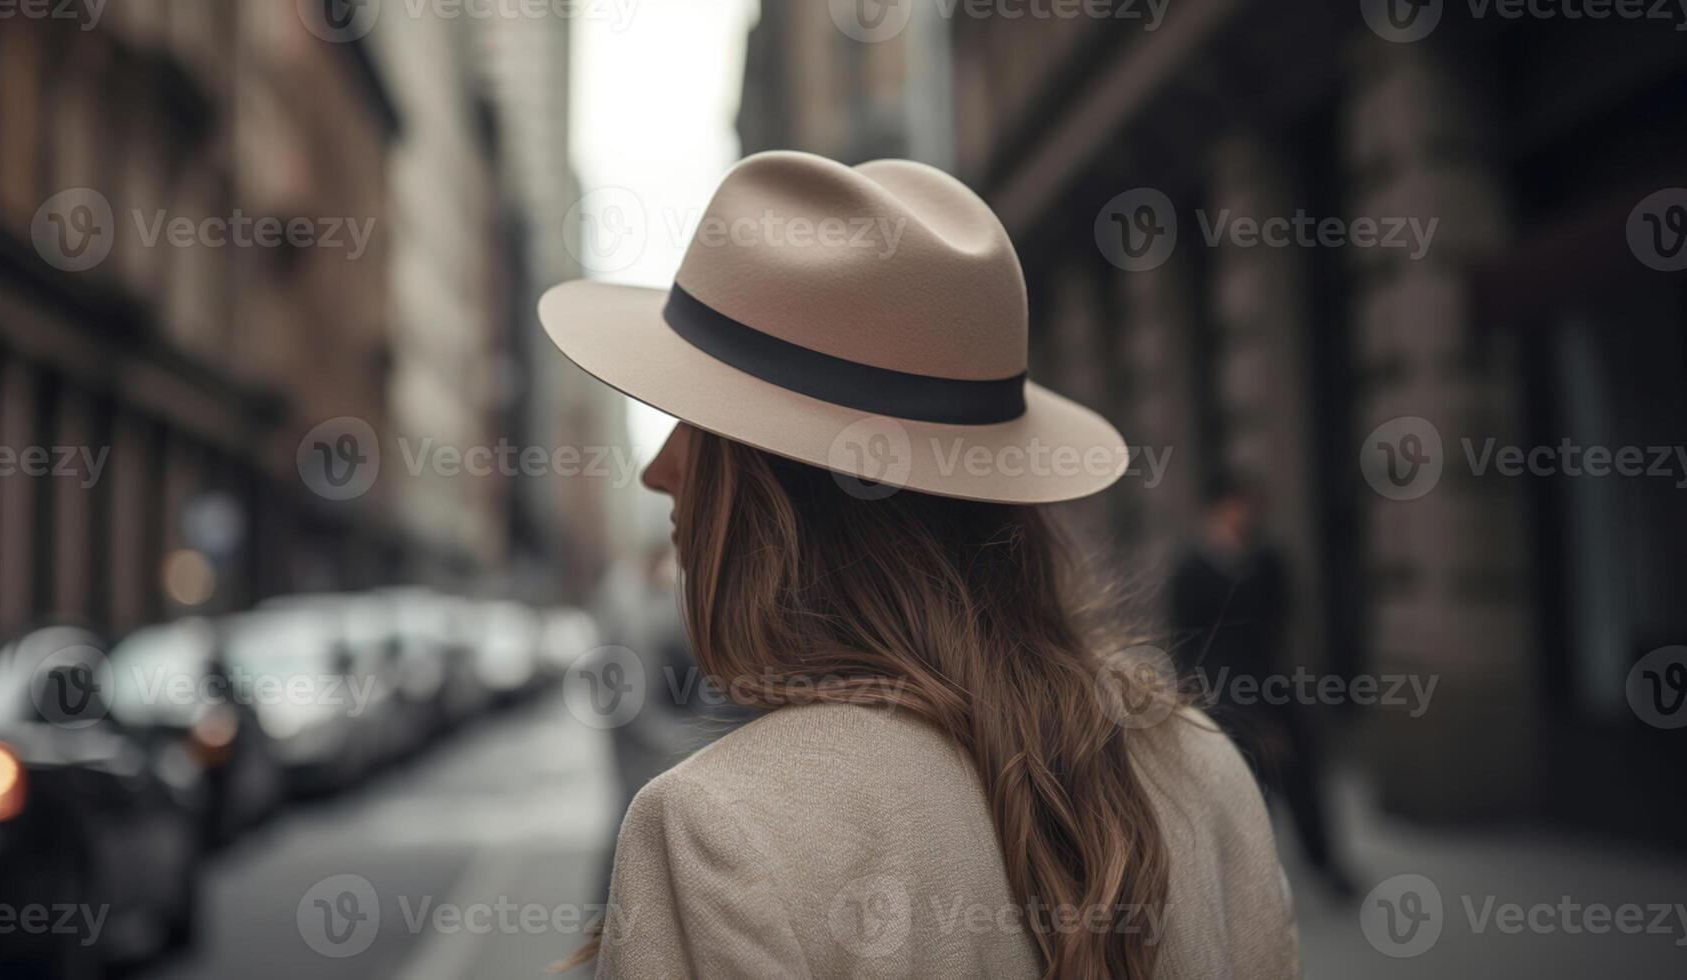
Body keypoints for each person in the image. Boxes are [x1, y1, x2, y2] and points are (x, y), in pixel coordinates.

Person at [540, 150, 1299, 978]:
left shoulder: (718, 832)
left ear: (779, 494)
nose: (661, 468)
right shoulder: (1201, 768)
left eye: (696, 419)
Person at [1169, 478, 1358, 901]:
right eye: (1237, 508)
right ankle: (1252, 876)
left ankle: (1322, 864)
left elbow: (1281, 626)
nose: (1246, 518)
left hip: (1271, 683)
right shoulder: (1191, 570)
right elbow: (1184, 640)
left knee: (1300, 773)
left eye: (1252, 508)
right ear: (1216, 511)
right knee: (1248, 783)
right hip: (1219, 689)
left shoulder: (1268, 562)